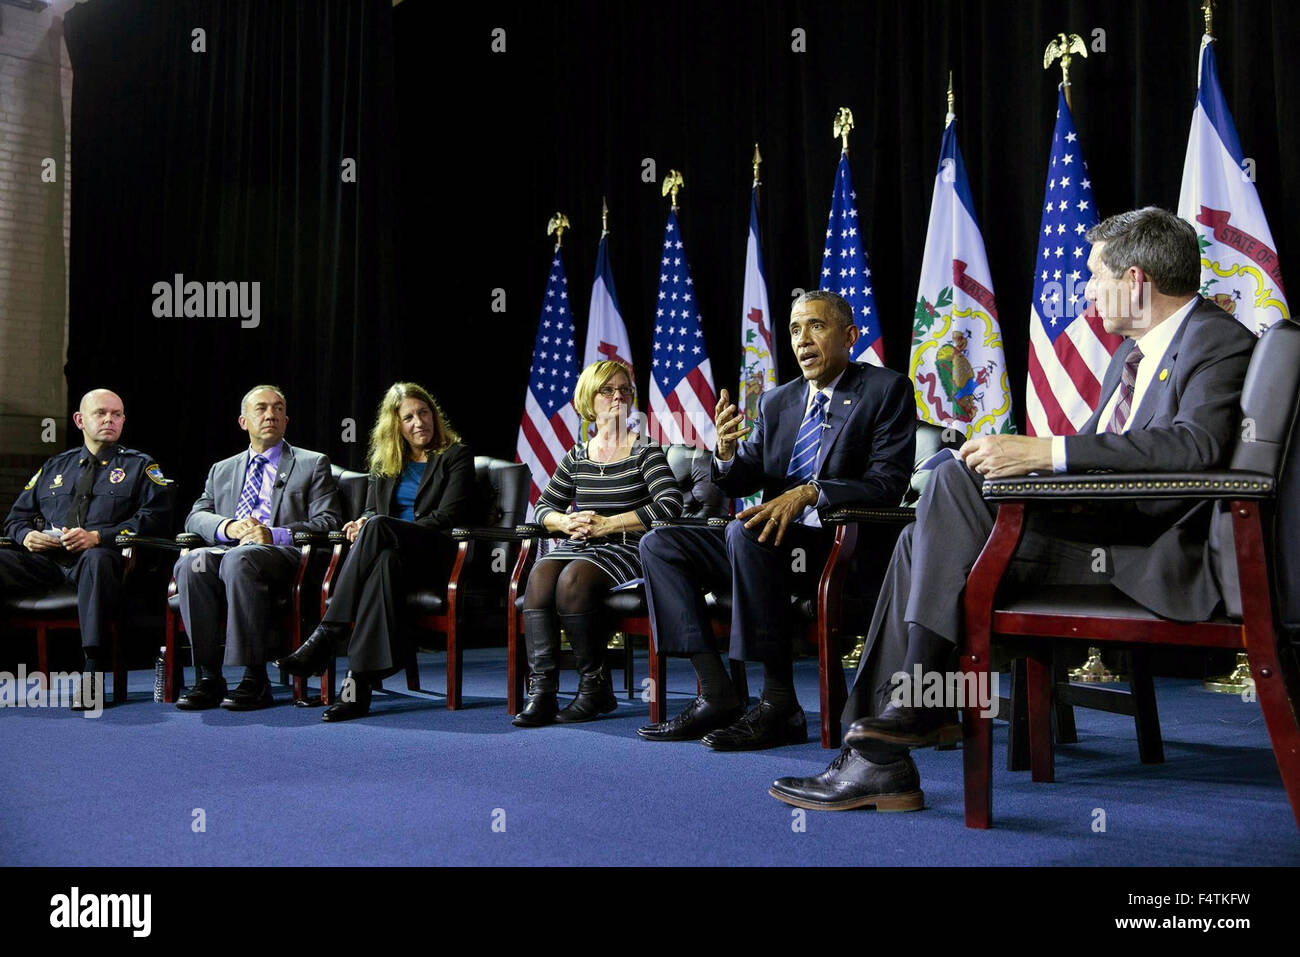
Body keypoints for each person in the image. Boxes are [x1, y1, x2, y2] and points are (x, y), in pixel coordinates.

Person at [769, 207, 1259, 812]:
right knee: (924, 528)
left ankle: (903, 726)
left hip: (1147, 554)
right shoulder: (1129, 356)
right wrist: (1022, 464)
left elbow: (1196, 448)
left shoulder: (1216, 339)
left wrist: (1045, 452)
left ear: (1135, 281)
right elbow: (1110, 457)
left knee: (950, 484)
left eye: (1095, 276)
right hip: (1102, 531)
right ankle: (890, 739)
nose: (1085, 290)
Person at [636, 290, 915, 750]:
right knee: (660, 544)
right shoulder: (777, 401)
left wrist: (811, 492)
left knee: (745, 533)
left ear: (849, 336)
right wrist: (724, 453)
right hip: (769, 545)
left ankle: (780, 705)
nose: (802, 340)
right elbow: (739, 475)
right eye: (794, 330)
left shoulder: (885, 390)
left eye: (816, 327)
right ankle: (717, 692)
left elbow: (887, 484)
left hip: (839, 547)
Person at [276, 383, 476, 721]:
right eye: (408, 417)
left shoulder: (455, 456)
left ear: (434, 415)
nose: (419, 422)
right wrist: (361, 523)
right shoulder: (385, 463)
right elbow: (371, 510)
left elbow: (449, 516)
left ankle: (329, 633)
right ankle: (357, 688)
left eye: (424, 413)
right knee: (382, 561)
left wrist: (377, 526)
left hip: (438, 553)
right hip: (393, 557)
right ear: (395, 425)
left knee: (380, 530)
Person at [514, 359, 684, 727]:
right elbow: (543, 508)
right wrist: (565, 520)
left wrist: (608, 524)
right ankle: (542, 691)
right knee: (541, 574)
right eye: (607, 390)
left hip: (631, 546)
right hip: (585, 545)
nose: (618, 397)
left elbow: (670, 505)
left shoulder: (645, 451)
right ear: (588, 401)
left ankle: (595, 687)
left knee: (572, 579)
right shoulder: (577, 456)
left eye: (624, 390)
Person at [1, 388, 171, 708]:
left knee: (95, 559)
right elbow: (15, 519)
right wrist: (25, 536)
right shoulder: (55, 466)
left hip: (102, 563)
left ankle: (92, 673)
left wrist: (99, 537)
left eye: (117, 414)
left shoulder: (140, 467)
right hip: (48, 562)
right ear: (80, 420)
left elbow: (156, 520)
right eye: (101, 413)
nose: (110, 419)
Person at [174, 385, 339, 711]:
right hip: (232, 550)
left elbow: (328, 522)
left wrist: (274, 534)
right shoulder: (221, 469)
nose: (271, 414)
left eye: (278, 409)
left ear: (286, 420)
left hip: (285, 557)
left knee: (240, 559)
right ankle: (209, 677)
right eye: (262, 408)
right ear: (243, 421)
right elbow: (195, 516)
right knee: (192, 563)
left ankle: (254, 677)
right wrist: (227, 527)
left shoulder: (312, 463)